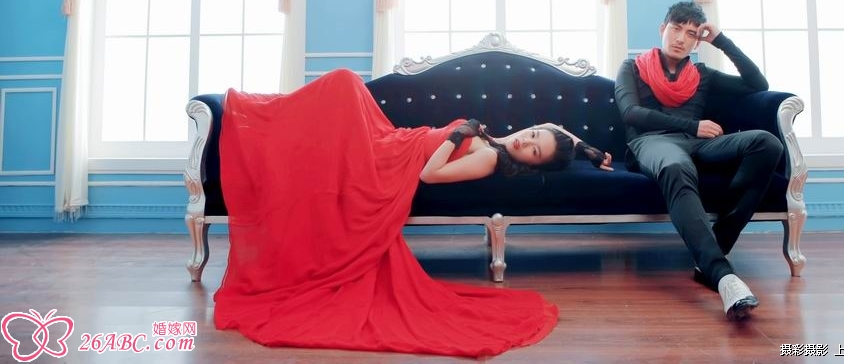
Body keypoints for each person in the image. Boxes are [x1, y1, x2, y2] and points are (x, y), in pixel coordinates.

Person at [213, 68, 611, 357]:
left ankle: (254, 117)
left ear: (532, 163)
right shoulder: (502, 137)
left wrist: (457, 135)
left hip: (390, 163)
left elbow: (430, 174)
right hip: (391, 139)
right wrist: (589, 150)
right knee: (342, 85)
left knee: (343, 83)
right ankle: (262, 125)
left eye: (535, 151)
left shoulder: (489, 155)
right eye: (534, 135)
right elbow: (554, 126)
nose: (528, 142)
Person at [614, 1, 784, 321]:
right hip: (651, 142)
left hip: (698, 144)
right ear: (663, 29)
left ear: (697, 41)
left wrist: (721, 41)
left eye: (691, 34)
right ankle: (722, 275)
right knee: (676, 166)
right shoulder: (632, 68)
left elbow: (758, 84)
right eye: (676, 29)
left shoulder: (702, 74)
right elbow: (631, 113)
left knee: (766, 143)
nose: (681, 38)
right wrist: (693, 125)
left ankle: (713, 250)